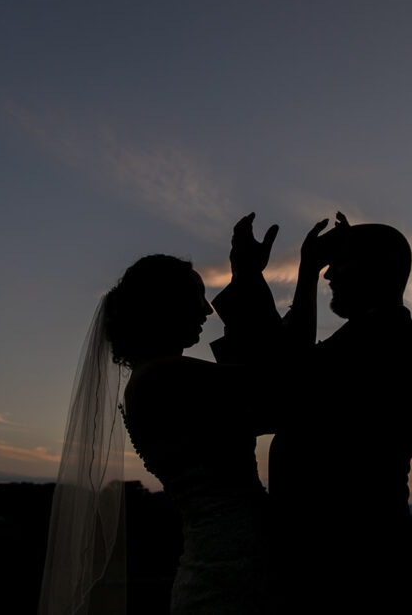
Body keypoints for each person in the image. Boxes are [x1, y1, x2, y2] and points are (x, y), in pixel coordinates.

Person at [212, 213, 412, 610]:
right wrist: (300, 274)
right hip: (332, 552)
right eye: (327, 267)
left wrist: (258, 275)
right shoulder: (368, 336)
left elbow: (279, 387)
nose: (330, 275)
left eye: (340, 263)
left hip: (345, 559)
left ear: (377, 268)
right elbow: (283, 369)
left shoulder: (385, 341)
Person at [41, 254, 274, 615]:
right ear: (164, 305)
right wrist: (297, 276)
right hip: (231, 573)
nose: (207, 311)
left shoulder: (161, 377)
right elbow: (281, 385)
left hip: (230, 562)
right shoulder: (164, 376)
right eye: (197, 297)